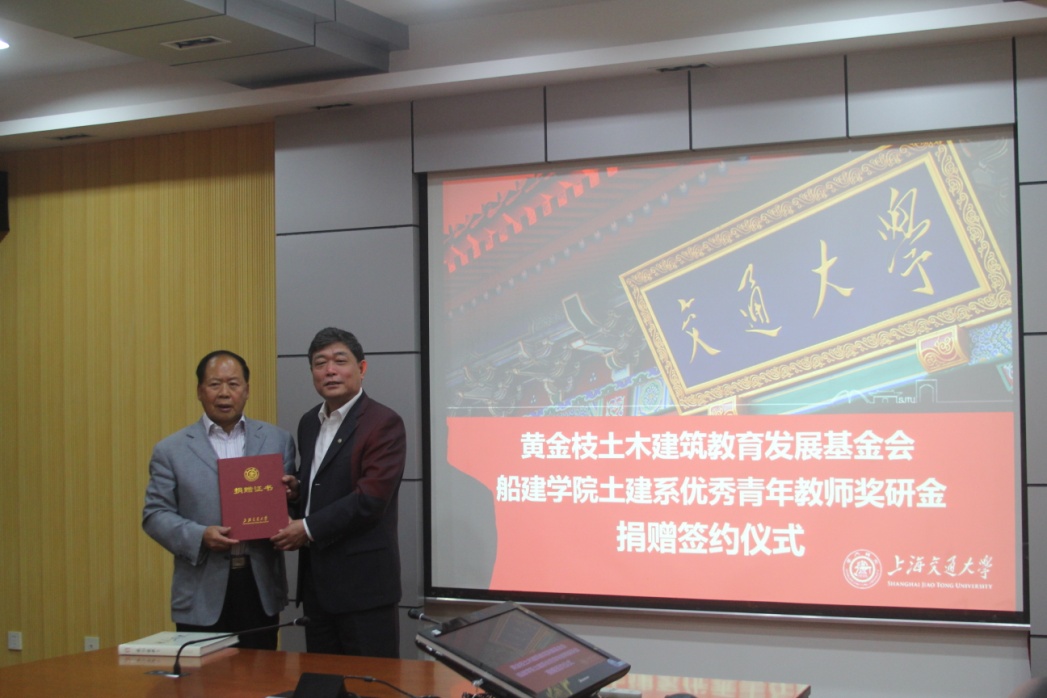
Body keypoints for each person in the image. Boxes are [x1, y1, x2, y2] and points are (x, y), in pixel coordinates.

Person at [142, 350, 297, 650]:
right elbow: (155, 515)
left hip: (259, 587)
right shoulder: (171, 450)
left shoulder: (277, 440)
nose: (224, 393)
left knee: (262, 673)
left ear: (247, 390)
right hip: (201, 589)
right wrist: (200, 536)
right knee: (203, 676)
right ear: (200, 391)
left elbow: (288, 504)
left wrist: (292, 498)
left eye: (233, 384)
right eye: (215, 384)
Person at [272, 327, 407, 657]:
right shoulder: (309, 422)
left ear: (361, 368)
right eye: (320, 363)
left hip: (365, 590)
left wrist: (306, 528)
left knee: (368, 681)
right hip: (317, 587)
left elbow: (370, 500)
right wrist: (297, 492)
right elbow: (325, 485)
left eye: (339, 361)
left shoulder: (383, 422)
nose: (329, 371)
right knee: (322, 679)